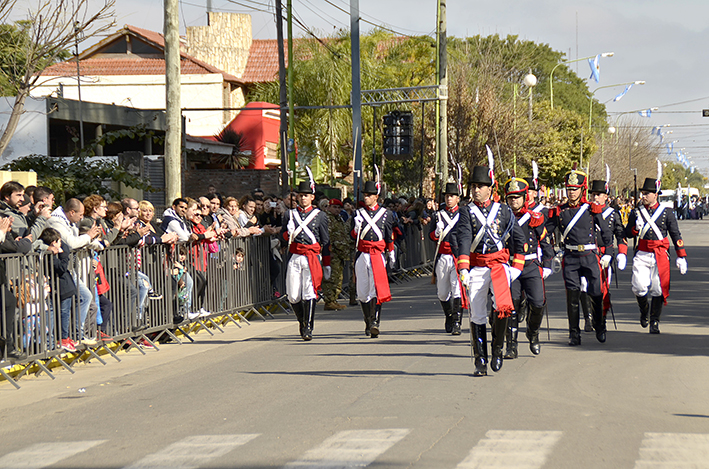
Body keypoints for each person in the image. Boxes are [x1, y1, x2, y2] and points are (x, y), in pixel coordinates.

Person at [456, 166, 526, 376]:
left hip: (499, 266)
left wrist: (516, 268)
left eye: (480, 186)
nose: (476, 190)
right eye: (474, 186)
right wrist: (464, 268)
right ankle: (480, 360)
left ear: (490, 189)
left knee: (502, 307)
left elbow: (518, 239)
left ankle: (497, 350)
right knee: (476, 313)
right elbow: (464, 239)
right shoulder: (466, 211)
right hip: (477, 266)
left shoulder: (503, 211)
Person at [547, 169, 613, 346]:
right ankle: (574, 333)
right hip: (570, 257)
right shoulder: (559, 211)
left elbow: (606, 232)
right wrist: (550, 253)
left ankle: (600, 326)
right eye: (569, 188)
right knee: (573, 297)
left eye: (575, 188)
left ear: (582, 190)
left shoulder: (591, 209)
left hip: (590, 256)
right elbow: (546, 232)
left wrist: (608, 253)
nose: (571, 192)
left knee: (596, 293)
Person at [625, 176, 688, 334]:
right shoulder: (636, 212)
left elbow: (675, 235)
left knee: (658, 289)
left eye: (647, 193)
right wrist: (635, 229)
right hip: (642, 253)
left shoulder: (666, 213)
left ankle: (654, 321)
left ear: (655, 194)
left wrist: (681, 256)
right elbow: (627, 233)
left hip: (660, 254)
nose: (643, 196)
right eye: (643, 193)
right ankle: (644, 310)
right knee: (639, 286)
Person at [502, 177, 553, 359]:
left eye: (517, 197)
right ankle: (511, 345)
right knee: (512, 305)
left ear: (525, 197)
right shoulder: (502, 218)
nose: (514, 200)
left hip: (531, 265)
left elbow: (545, 241)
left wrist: (547, 264)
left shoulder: (534, 218)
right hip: (510, 265)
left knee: (538, 303)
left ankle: (532, 333)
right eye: (510, 197)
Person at [280, 178, 329, 341]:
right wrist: (288, 234)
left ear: (312, 197)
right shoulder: (290, 214)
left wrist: (327, 263)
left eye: (306, 195)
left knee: (309, 292)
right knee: (293, 295)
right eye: (300, 195)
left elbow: (325, 240)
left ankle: (308, 327)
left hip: (312, 257)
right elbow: (282, 239)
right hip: (295, 256)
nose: (303, 198)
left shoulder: (320, 216)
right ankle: (301, 321)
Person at [352, 180, 395, 338]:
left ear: (376, 197)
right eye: (365, 195)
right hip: (362, 254)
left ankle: (375, 322)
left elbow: (388, 234)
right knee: (363, 291)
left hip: (377, 254)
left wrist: (391, 252)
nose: (366, 197)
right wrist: (356, 229)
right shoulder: (358, 214)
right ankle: (367, 321)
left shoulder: (386, 214)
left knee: (375, 289)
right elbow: (352, 236)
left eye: (369, 195)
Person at [588, 177, 628, 331]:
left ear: (606, 196)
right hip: (589, 254)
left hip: (605, 254)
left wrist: (622, 253)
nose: (595, 197)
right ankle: (588, 316)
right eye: (593, 194)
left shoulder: (613, 213)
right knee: (585, 287)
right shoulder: (586, 211)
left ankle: (601, 319)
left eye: (599, 194)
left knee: (603, 287)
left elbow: (620, 235)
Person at [429, 183, 464, 335]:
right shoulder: (438, 215)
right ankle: (449, 316)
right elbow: (431, 236)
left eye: (452, 196)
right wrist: (437, 233)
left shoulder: (464, 214)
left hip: (457, 256)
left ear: (458, 198)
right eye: (447, 196)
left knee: (457, 290)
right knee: (443, 292)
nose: (449, 199)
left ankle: (457, 322)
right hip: (442, 256)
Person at [322, 198, 351, 311]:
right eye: (334, 207)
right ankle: (329, 300)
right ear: (329, 207)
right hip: (332, 252)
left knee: (338, 277)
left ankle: (333, 299)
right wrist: (329, 251)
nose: (337, 210)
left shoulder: (338, 218)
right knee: (331, 278)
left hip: (340, 251)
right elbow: (327, 236)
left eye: (339, 208)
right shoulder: (327, 219)